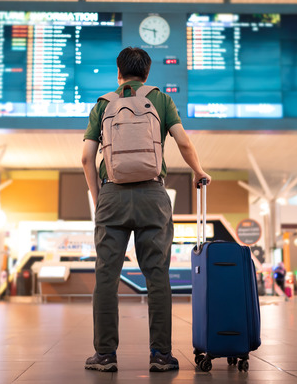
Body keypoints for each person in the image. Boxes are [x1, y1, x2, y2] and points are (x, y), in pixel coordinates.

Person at [81, 47, 211, 373]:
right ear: (147, 73)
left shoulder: (103, 104)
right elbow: (183, 142)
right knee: (157, 276)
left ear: (119, 72)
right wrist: (198, 171)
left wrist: (100, 197)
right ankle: (161, 355)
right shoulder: (160, 100)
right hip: (153, 194)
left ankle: (105, 355)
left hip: (112, 194)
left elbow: (85, 158)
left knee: (106, 276)